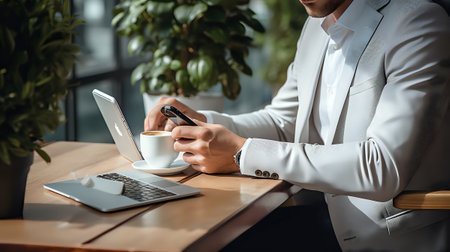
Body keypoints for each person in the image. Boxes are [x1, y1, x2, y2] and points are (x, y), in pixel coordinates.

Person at [145, 0, 450, 250]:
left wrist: (242, 153)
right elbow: (283, 122)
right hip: (322, 216)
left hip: (387, 238)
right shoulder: (316, 27)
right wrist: (202, 122)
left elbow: (382, 165)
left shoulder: (418, 24)